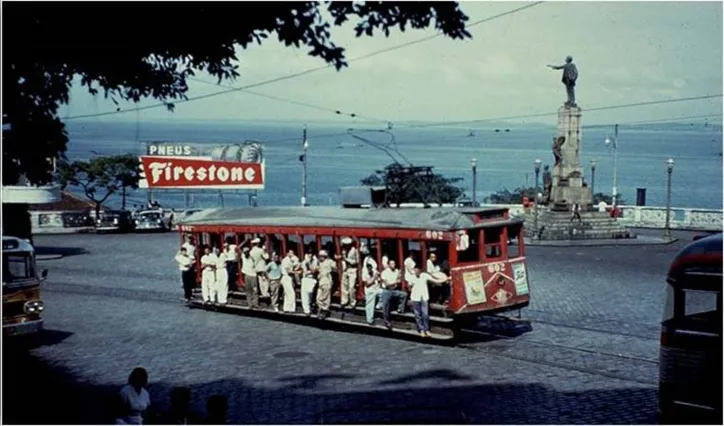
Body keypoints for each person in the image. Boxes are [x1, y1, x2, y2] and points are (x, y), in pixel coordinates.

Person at [407, 267, 450, 338]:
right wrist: (412, 289)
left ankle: (426, 329)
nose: (416, 272)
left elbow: (435, 281)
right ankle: (421, 330)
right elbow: (409, 287)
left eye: (417, 271)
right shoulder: (411, 277)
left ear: (420, 271)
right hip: (415, 298)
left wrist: (445, 279)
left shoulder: (424, 275)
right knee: (418, 315)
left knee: (425, 314)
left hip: (424, 297)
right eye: (415, 271)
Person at [379, 260, 408, 330]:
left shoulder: (396, 271)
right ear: (388, 265)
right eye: (391, 264)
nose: (393, 265)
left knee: (404, 295)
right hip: (386, 291)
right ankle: (387, 322)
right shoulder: (384, 272)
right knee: (385, 307)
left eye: (394, 263)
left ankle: (400, 309)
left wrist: (399, 277)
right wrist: (395, 282)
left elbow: (399, 280)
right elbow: (387, 284)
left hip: (394, 290)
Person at [315, 250, 337, 319]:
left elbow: (335, 268)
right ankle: (320, 308)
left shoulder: (330, 262)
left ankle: (325, 310)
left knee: (326, 297)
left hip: (326, 281)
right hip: (321, 281)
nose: (320, 258)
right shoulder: (319, 263)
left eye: (322, 256)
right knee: (318, 298)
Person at [339, 237, 359, 310]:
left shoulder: (354, 250)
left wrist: (347, 260)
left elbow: (357, 261)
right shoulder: (343, 250)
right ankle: (344, 301)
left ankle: (352, 302)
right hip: (345, 270)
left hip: (352, 269)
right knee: (344, 286)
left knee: (351, 287)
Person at [362, 257, 381, 325]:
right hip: (369, 290)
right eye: (368, 267)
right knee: (370, 305)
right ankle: (370, 320)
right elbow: (367, 284)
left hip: (376, 288)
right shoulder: (364, 272)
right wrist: (374, 278)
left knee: (384, 293)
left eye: (371, 267)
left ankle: (379, 305)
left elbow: (378, 280)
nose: (370, 268)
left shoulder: (374, 271)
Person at [300, 252, 318, 316]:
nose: (310, 255)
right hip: (305, 278)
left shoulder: (315, 261)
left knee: (310, 293)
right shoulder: (304, 262)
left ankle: (310, 307)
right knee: (304, 295)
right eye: (308, 254)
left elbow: (313, 271)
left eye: (311, 254)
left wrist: (309, 264)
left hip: (312, 279)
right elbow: (305, 272)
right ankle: (306, 311)